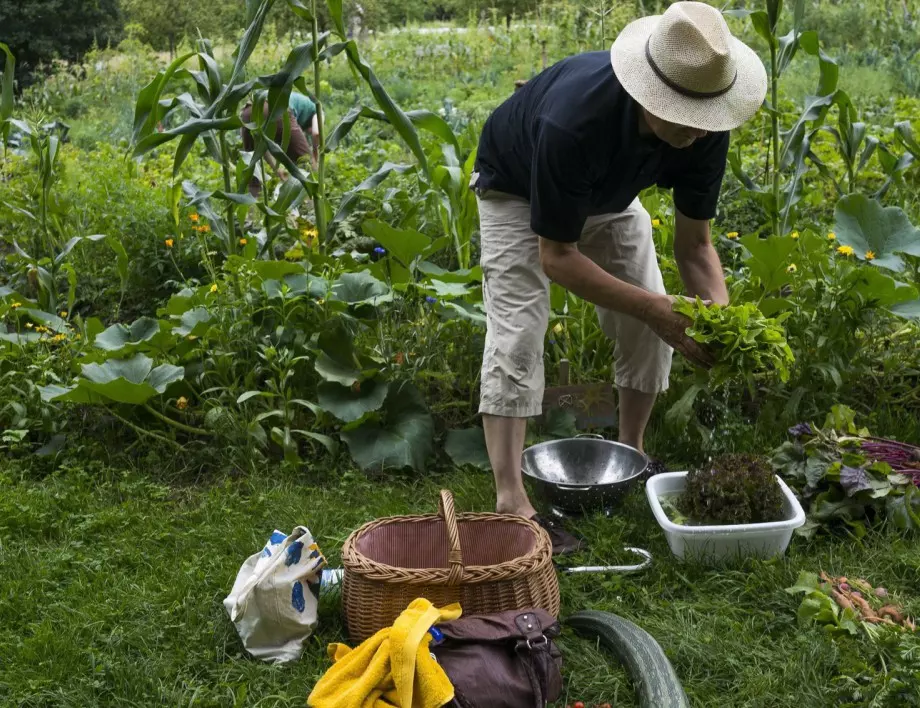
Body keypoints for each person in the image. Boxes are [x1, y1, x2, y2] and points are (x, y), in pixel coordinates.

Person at [471, 2, 768, 554]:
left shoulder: (704, 126)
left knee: (657, 321)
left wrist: (719, 319)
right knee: (519, 329)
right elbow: (557, 256)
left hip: (608, 198)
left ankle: (630, 453)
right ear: (645, 93)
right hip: (516, 190)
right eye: (678, 115)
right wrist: (655, 308)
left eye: (702, 119)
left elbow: (696, 246)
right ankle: (511, 497)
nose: (694, 132)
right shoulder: (575, 120)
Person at [240, 90, 320, 196]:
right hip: (276, 107)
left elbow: (261, 148)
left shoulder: (299, 102)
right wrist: (315, 156)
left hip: (248, 111)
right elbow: (316, 133)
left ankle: (252, 208)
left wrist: (276, 169)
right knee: (308, 167)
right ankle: (312, 207)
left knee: (252, 170)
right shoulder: (317, 108)